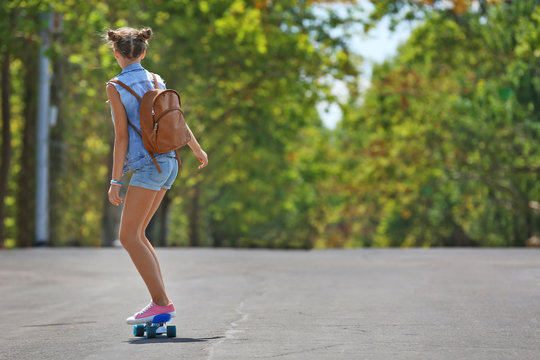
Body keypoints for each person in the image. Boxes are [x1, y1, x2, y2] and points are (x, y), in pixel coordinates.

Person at [105, 26, 208, 325]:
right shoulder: (155, 79)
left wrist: (115, 181)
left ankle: (161, 303)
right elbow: (174, 120)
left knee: (127, 236)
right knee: (138, 235)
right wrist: (197, 149)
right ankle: (159, 301)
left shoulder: (115, 86)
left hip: (150, 166)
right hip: (170, 162)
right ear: (144, 51)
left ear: (116, 52)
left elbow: (121, 137)